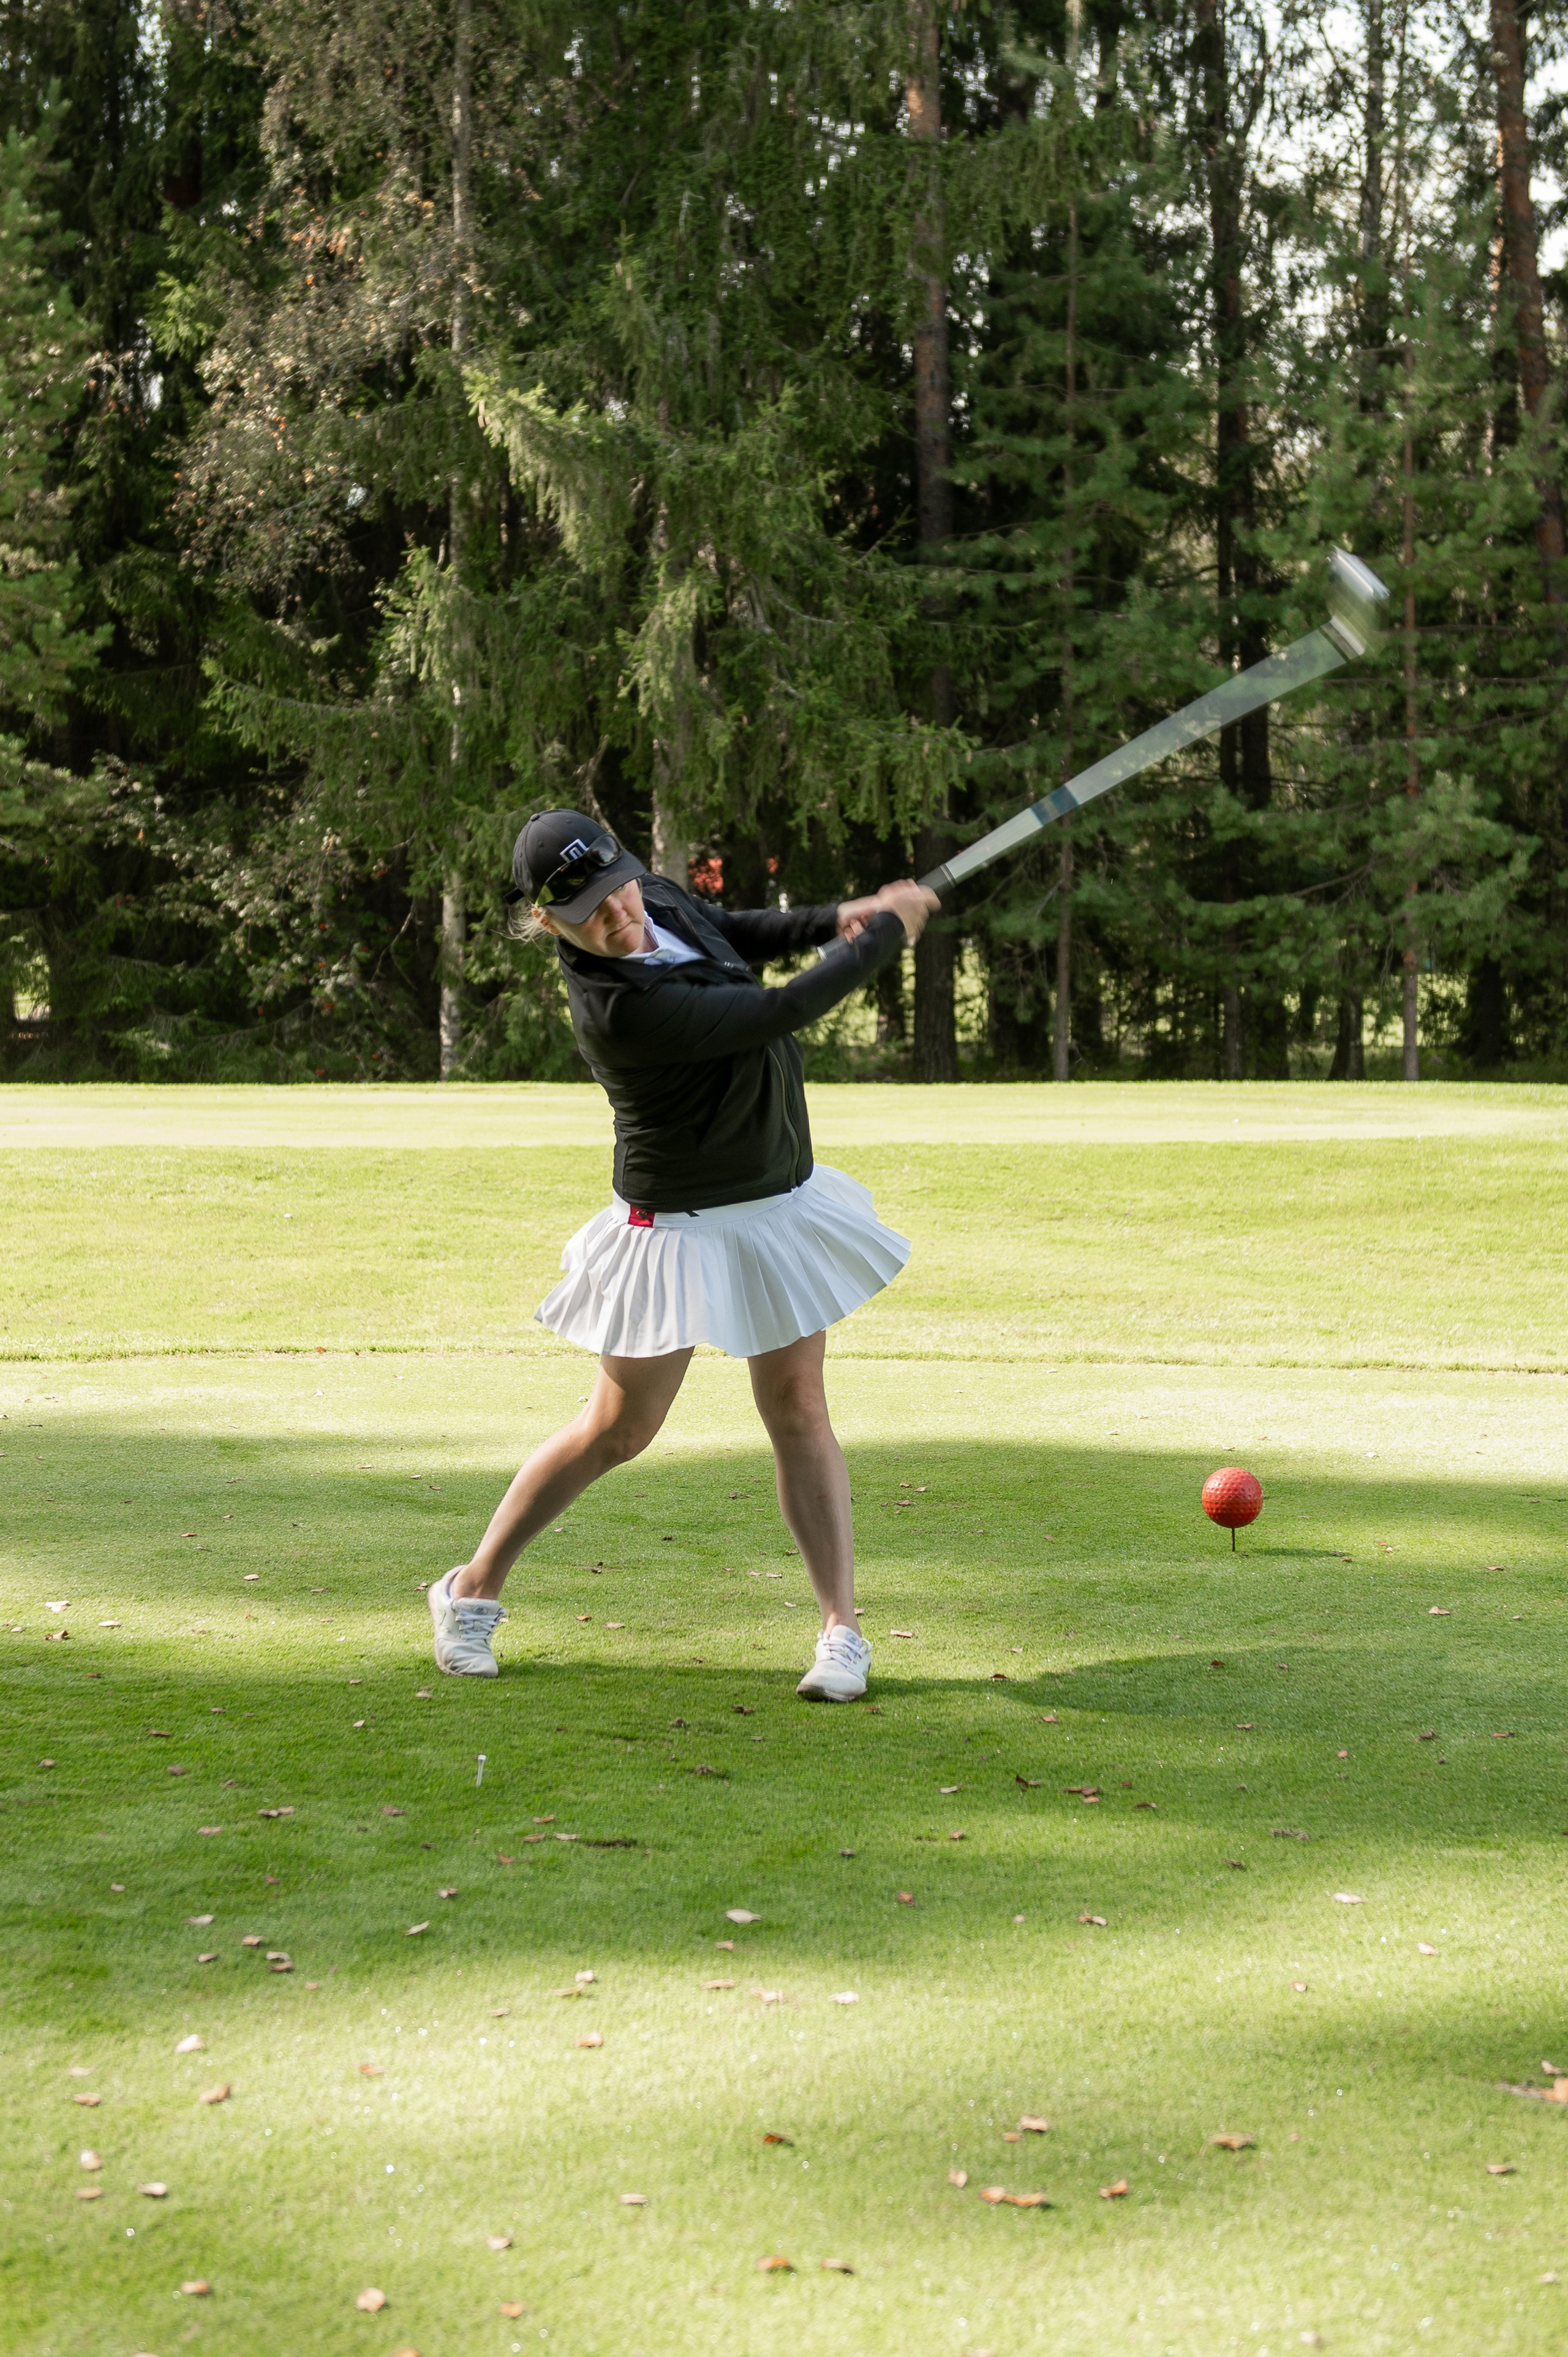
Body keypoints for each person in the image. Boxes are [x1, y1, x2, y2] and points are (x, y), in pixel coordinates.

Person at [428, 809, 938, 1701]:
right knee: (619, 1431)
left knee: (799, 1407)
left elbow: (729, 927)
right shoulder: (622, 1012)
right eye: (588, 911)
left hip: (775, 1201)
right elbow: (778, 1010)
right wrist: (887, 933)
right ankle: (469, 1591)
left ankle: (841, 1632)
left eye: (618, 890)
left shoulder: (652, 894)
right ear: (548, 921)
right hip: (676, 1224)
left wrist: (837, 916)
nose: (618, 915)